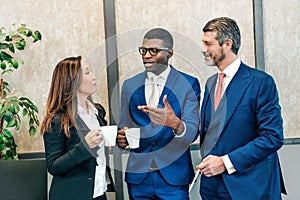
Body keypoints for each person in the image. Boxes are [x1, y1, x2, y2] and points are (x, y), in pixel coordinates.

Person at [195, 17, 287, 200]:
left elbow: (272, 137)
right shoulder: (211, 83)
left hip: (249, 186)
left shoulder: (261, 82)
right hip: (212, 187)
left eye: (208, 43)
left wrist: (225, 162)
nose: (203, 49)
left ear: (227, 44)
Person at [117, 28, 201, 199]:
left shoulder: (189, 83)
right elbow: (124, 125)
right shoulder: (129, 85)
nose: (147, 55)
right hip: (138, 178)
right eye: (143, 50)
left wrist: (175, 124)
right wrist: (121, 138)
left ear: (169, 53)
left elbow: (192, 132)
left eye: (154, 50)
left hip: (174, 178)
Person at [41, 56, 114, 200]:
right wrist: (85, 147)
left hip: (99, 192)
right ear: (72, 81)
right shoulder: (56, 121)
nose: (93, 77)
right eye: (87, 73)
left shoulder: (98, 111)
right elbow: (54, 167)